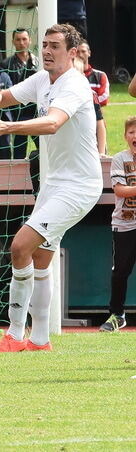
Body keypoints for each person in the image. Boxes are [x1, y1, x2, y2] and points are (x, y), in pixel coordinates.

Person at [0, 24, 101, 353]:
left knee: (20, 247)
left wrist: (9, 125)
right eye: (44, 44)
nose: (46, 51)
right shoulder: (42, 78)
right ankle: (40, 340)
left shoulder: (74, 84)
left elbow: (52, 123)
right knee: (41, 259)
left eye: (55, 46)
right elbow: (3, 98)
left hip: (80, 186)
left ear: (72, 53)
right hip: (56, 183)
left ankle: (15, 335)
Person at [101, 117, 136, 332]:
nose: (135, 136)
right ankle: (117, 315)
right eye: (131, 132)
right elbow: (120, 190)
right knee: (120, 272)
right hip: (125, 224)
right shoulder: (119, 159)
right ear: (125, 136)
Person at [2, 28, 41, 159]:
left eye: (24, 39)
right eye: (18, 39)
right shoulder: (6, 64)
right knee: (19, 153)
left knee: (44, 148)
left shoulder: (38, 63)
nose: (21, 42)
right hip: (17, 114)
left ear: (30, 40)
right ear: (13, 41)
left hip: (37, 113)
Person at [75, 42, 109, 156]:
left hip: (94, 123)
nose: (80, 54)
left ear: (89, 53)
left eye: (83, 51)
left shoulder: (100, 75)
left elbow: (104, 98)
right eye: (77, 51)